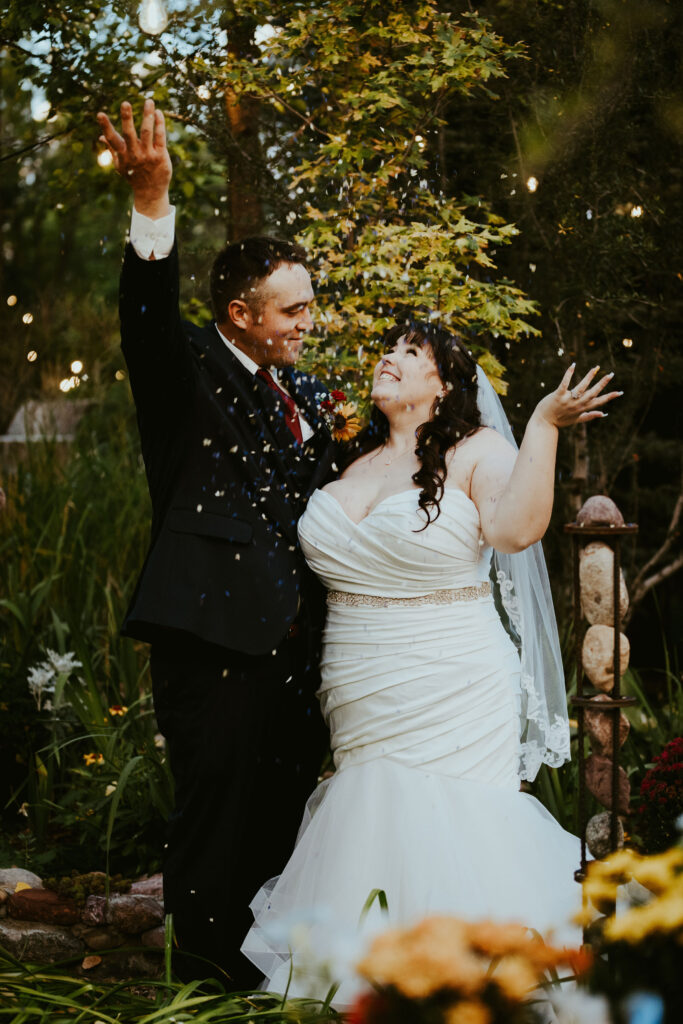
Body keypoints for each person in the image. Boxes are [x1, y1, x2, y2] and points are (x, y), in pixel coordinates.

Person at [241, 322, 622, 1003]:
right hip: (356, 671)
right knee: (368, 816)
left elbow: (514, 531)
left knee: (454, 821)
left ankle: (473, 990)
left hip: (452, 673)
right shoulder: (344, 458)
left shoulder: (478, 451)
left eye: (409, 354)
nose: (388, 358)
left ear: (442, 385)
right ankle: (371, 991)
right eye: (388, 349)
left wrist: (541, 425)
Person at [96, 98, 336, 987]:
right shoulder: (184, 372)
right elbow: (147, 314)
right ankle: (200, 989)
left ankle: (262, 978)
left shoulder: (306, 394)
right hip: (214, 646)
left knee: (278, 814)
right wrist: (153, 201)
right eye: (294, 309)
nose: (308, 323)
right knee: (215, 814)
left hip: (300, 647)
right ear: (239, 313)